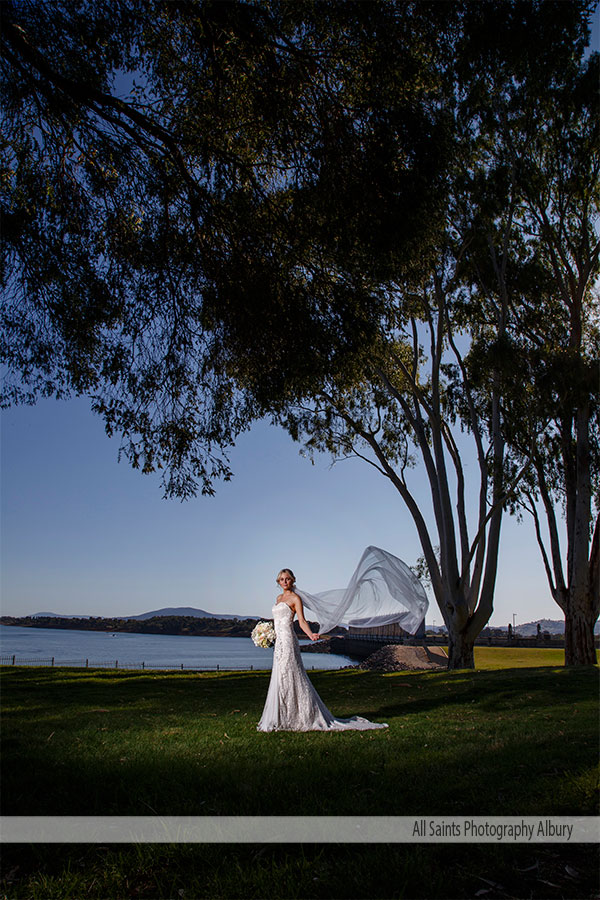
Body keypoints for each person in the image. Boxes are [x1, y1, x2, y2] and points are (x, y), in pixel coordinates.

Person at [257, 567, 388, 732]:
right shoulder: (278, 598)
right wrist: (267, 634)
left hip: (289, 640)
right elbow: (277, 620)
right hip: (279, 642)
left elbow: (302, 621)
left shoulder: (296, 598)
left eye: (288, 579)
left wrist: (311, 634)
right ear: (278, 582)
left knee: (292, 673)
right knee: (279, 675)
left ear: (293, 580)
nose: (285, 581)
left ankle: (303, 715)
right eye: (282, 579)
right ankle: (282, 715)